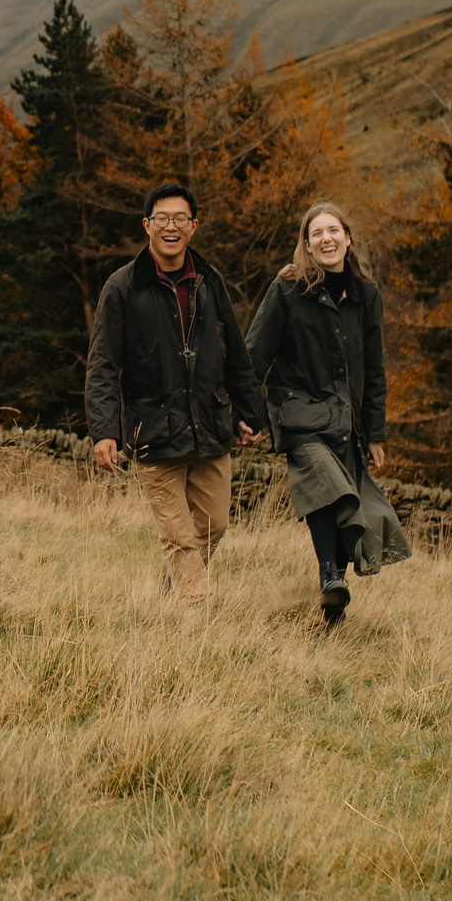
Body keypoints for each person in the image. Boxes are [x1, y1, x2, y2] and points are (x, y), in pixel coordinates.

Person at [85, 181, 265, 609]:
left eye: (180, 218)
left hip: (210, 426)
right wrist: (105, 430)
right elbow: (103, 364)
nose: (171, 226)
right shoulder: (122, 287)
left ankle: (171, 593)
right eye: (162, 218)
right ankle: (197, 620)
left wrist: (249, 412)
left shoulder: (209, 281)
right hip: (153, 432)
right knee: (180, 539)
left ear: (194, 226)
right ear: (147, 225)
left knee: (214, 525)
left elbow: (236, 353)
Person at [245, 201, 410, 627]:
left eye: (333, 230)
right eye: (316, 233)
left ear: (347, 238)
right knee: (324, 485)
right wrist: (246, 413)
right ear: (307, 245)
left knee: (347, 501)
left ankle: (333, 606)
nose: (326, 239)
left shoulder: (365, 293)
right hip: (298, 413)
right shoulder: (287, 288)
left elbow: (374, 368)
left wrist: (375, 433)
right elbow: (255, 353)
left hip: (346, 420)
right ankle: (329, 575)